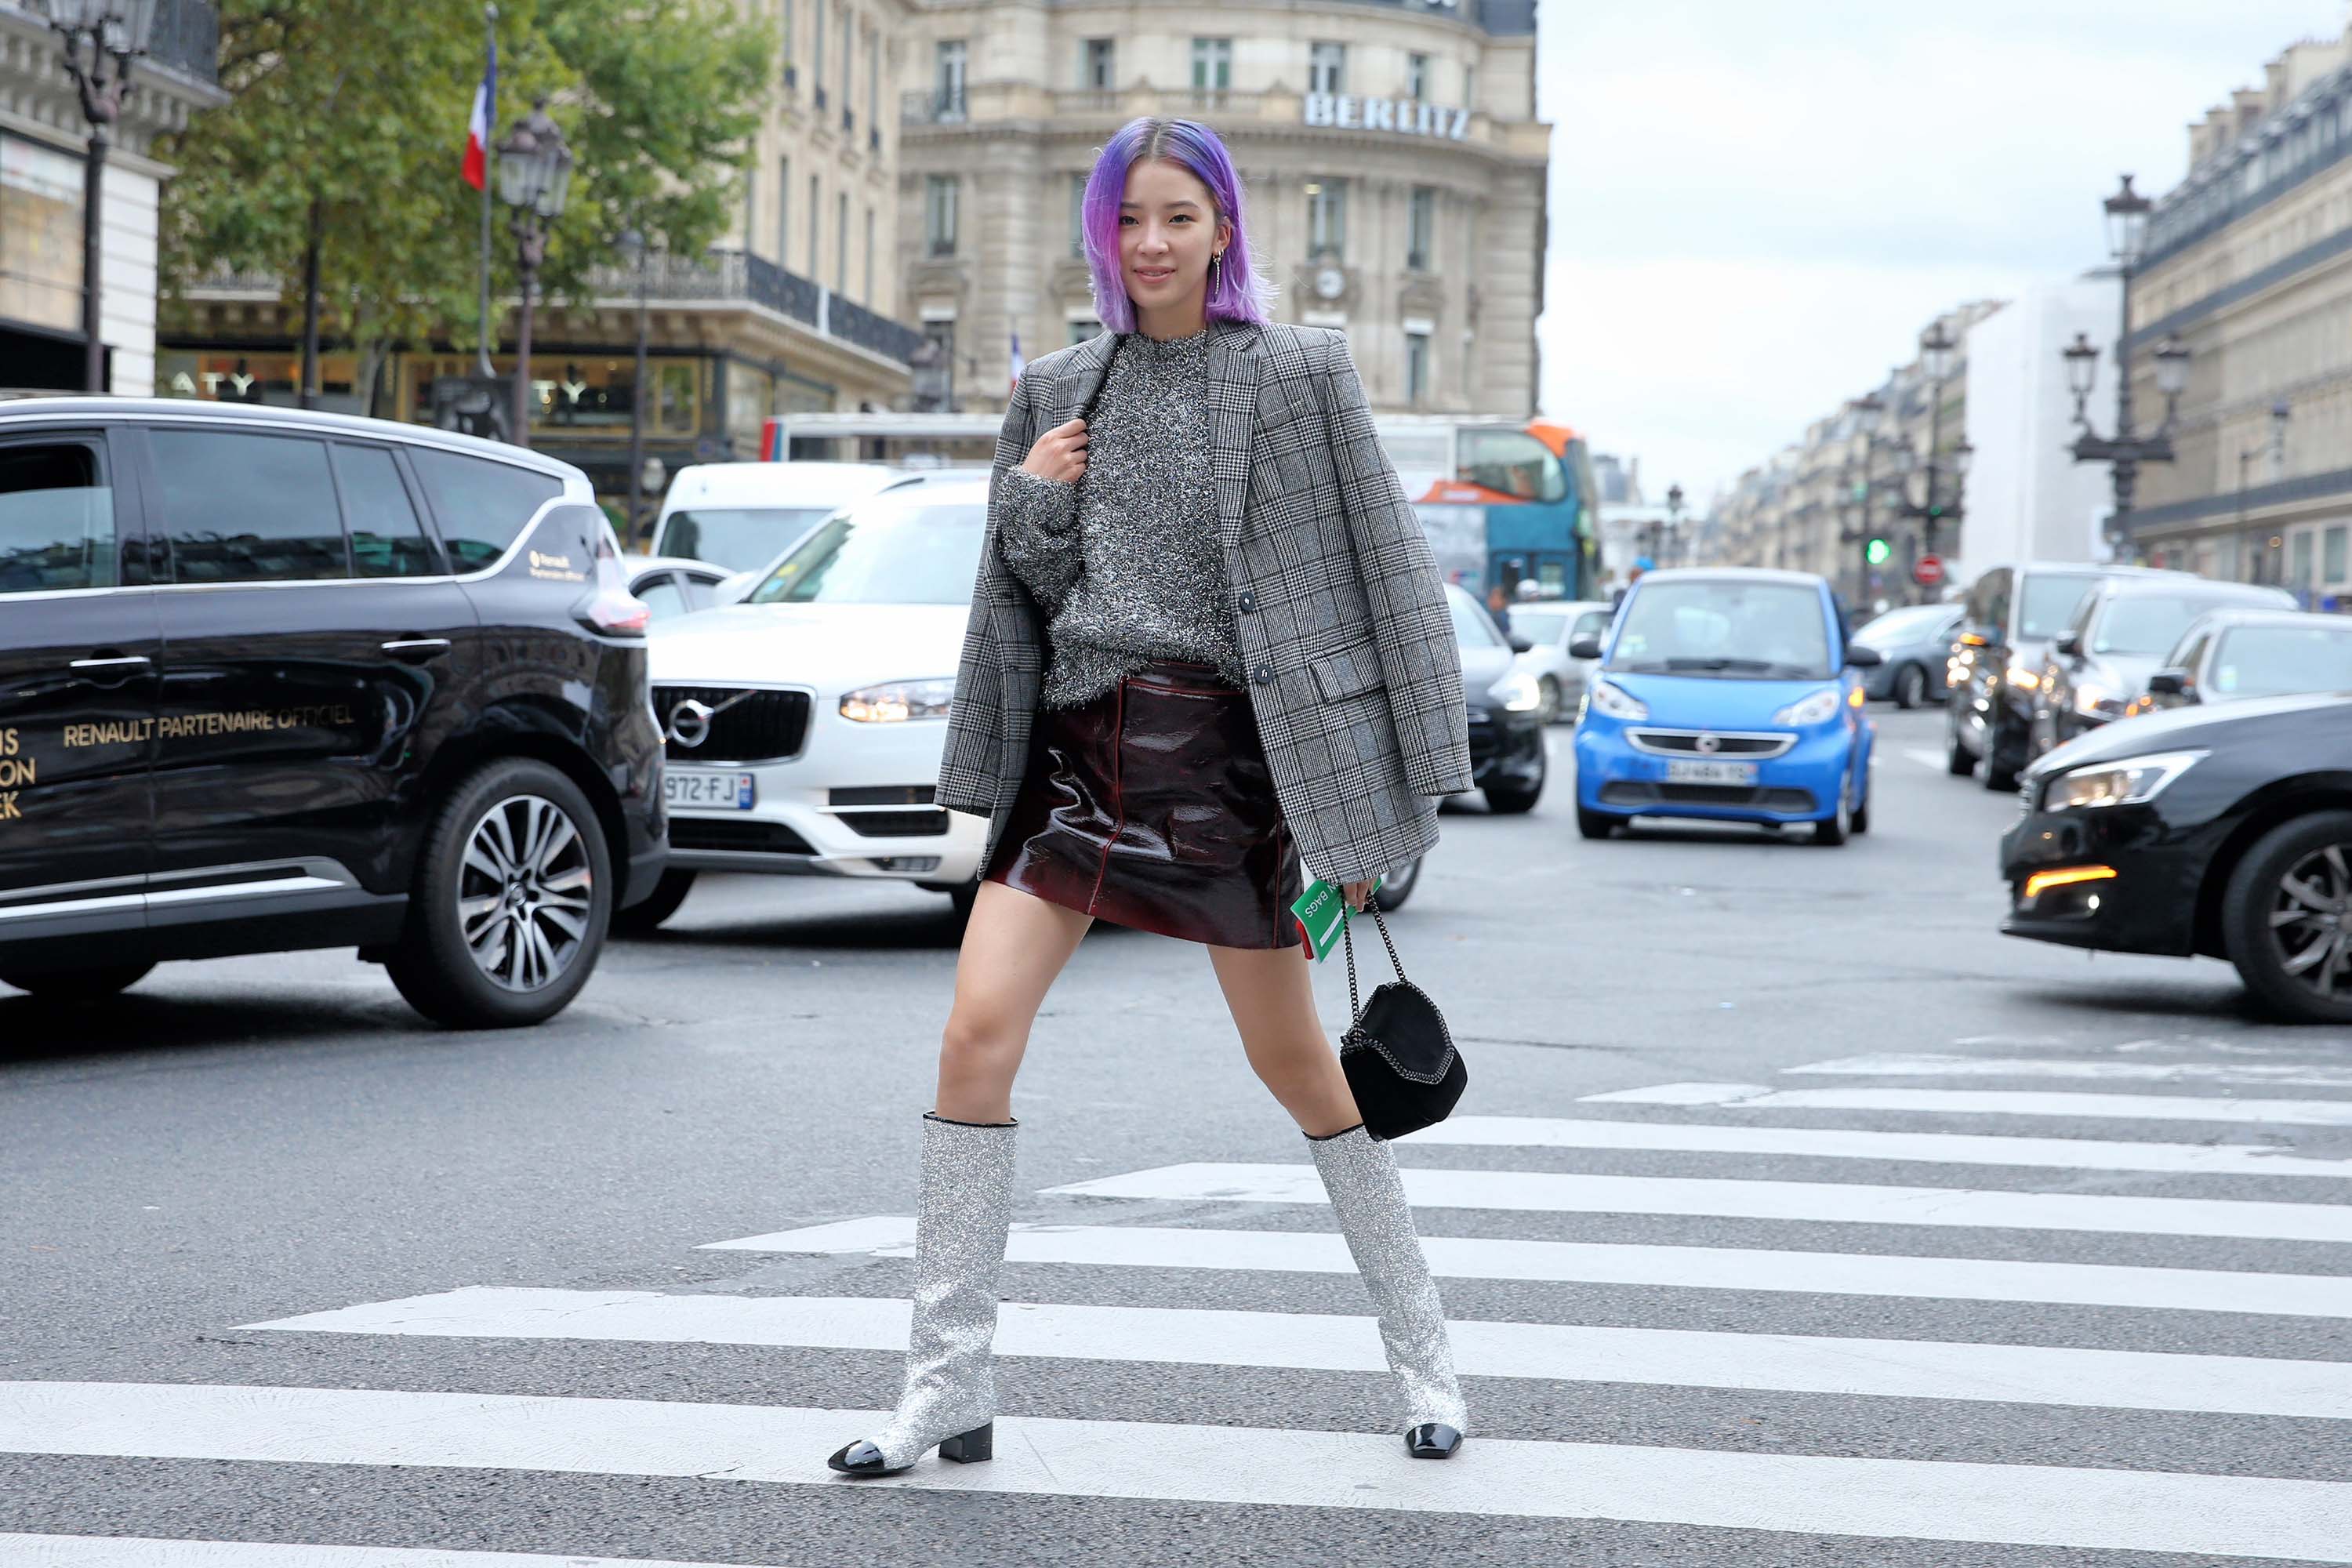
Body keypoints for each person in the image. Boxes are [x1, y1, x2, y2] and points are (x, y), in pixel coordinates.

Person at [824, 117, 1475, 1478]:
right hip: (1077, 759)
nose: (1153, 243)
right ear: (1101, 236)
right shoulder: (1063, 388)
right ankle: (946, 1385)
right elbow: (1037, 596)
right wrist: (1033, 496)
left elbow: (1393, 578)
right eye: (1129, 220)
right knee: (970, 1044)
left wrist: (1396, 803)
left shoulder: (1299, 376)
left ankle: (1426, 1357)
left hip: (1229, 770)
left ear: (1223, 228)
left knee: (1300, 1073)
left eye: (1178, 216)